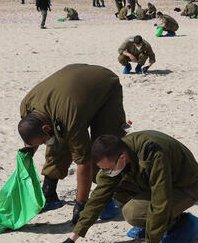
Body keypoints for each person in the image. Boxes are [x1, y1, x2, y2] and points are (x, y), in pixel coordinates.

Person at [53, 131, 198, 243]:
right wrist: (73, 238)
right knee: (108, 184)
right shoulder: (120, 155)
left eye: (107, 168)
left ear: (122, 157)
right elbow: (98, 199)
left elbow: (160, 201)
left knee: (133, 213)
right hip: (155, 184)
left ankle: (179, 222)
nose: (106, 172)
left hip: (185, 186)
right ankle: (153, 222)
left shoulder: (152, 154)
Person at [19, 64, 126, 222]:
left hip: (104, 84)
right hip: (73, 86)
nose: (42, 145)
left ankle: (105, 196)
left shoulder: (69, 120)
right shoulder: (26, 107)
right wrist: (27, 153)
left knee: (104, 146)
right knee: (57, 139)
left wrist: (81, 204)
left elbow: (84, 162)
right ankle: (49, 192)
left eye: (41, 142)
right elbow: (32, 134)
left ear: (45, 127)